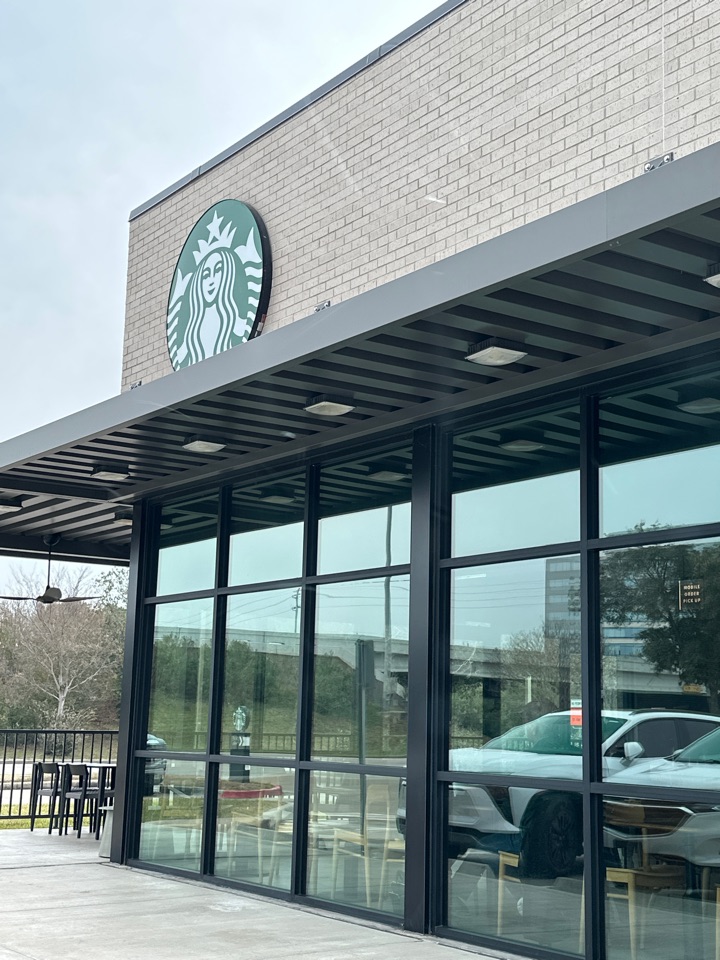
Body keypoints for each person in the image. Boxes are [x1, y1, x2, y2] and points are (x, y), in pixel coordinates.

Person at [176, 248, 250, 366]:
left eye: (218, 270)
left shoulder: (237, 323)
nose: (211, 280)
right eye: (206, 275)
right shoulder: (190, 334)